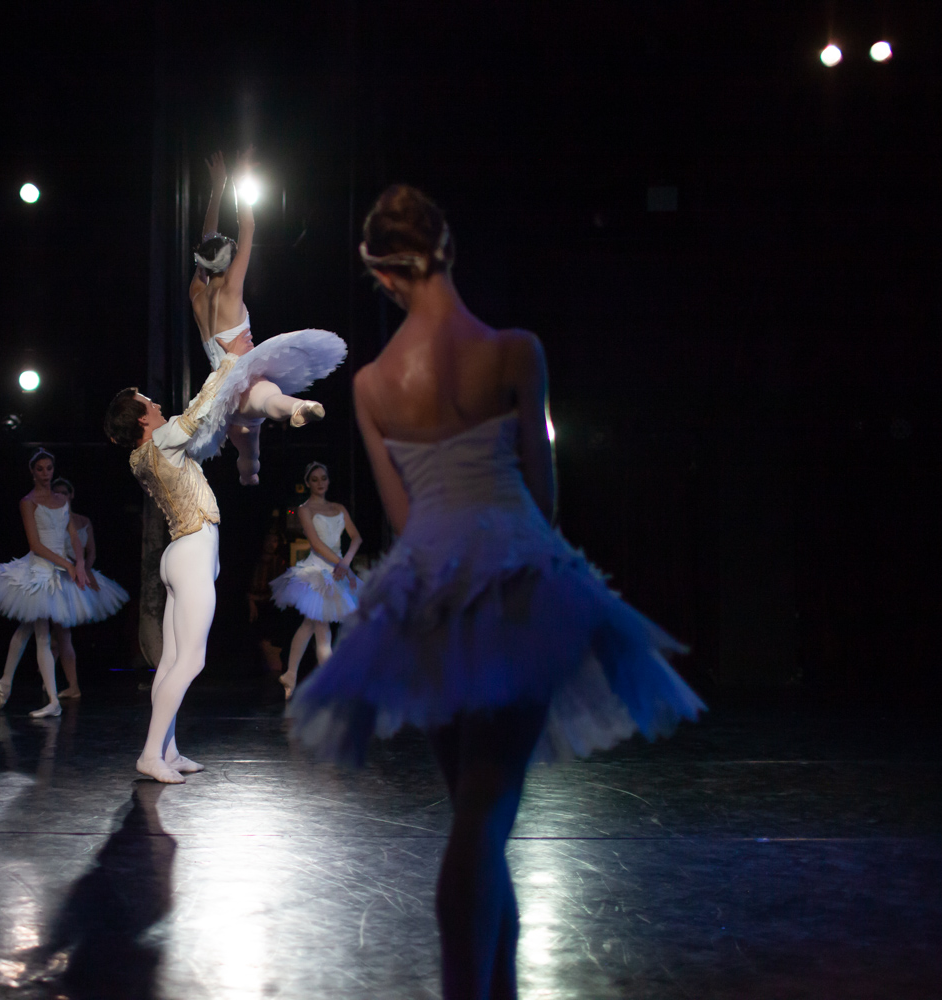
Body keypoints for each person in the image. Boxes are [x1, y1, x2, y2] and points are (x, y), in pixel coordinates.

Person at [287, 185, 704, 1000]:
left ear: (383, 275)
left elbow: (404, 519)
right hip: (514, 580)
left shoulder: (372, 384)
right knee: (485, 819)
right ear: (447, 249)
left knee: (478, 821)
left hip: (430, 592)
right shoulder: (516, 351)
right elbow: (543, 501)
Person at [103, 346, 244, 783]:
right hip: (191, 552)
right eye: (149, 402)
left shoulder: (141, 456)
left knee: (170, 663)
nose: (157, 404)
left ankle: (168, 750)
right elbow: (198, 410)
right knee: (190, 662)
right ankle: (151, 754)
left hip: (180, 553)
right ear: (142, 419)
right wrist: (230, 362)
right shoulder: (161, 441)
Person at [188, 147, 347, 483]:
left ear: (202, 261)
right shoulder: (231, 288)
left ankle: (249, 474)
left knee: (249, 455)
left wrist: (217, 186)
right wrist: (240, 178)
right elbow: (247, 225)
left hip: (220, 395)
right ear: (229, 261)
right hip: (243, 381)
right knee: (266, 398)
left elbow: (207, 242)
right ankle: (296, 408)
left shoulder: (197, 294)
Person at [0, 450, 125, 718]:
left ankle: (7, 681)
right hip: (41, 569)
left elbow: (73, 536)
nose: (46, 474)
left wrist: (80, 563)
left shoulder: (61, 500)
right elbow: (35, 544)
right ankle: (51, 700)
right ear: (32, 472)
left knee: (28, 628)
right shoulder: (28, 502)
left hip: (61, 569)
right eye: (40, 469)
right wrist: (67, 564)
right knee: (40, 634)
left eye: (49, 468)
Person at [270, 461, 361, 699]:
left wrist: (346, 562)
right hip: (318, 571)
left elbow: (356, 538)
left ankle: (291, 675)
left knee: (310, 625)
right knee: (321, 628)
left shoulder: (339, 508)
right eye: (315, 479)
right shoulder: (304, 509)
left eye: (323, 478)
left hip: (339, 570)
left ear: (328, 480)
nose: (320, 483)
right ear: (308, 483)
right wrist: (342, 564)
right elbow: (317, 544)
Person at [48, 476, 130, 699]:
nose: (61, 496)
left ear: (71, 495)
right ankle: (61, 684)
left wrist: (85, 569)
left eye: (65, 493)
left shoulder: (83, 521)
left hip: (80, 575)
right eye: (57, 493)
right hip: (61, 576)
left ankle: (66, 685)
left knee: (61, 635)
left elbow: (91, 551)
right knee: (60, 634)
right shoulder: (53, 522)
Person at [247, 521, 293, 677]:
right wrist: (251, 600)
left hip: (271, 609)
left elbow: (277, 591)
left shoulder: (280, 563)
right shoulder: (255, 562)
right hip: (256, 608)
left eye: (275, 541)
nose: (271, 544)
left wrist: (256, 598)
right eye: (268, 540)